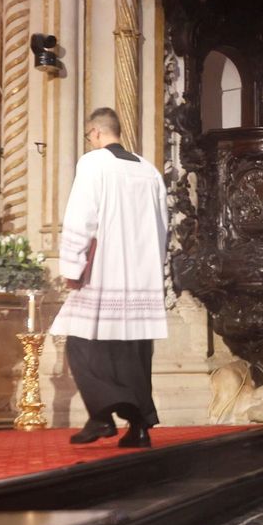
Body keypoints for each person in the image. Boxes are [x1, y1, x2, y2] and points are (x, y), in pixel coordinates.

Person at [52, 108, 169, 449]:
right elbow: (162, 228)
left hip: (104, 271)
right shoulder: (150, 171)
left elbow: (81, 219)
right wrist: (152, 270)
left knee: (79, 342)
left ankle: (102, 417)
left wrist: (71, 268)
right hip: (141, 276)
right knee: (132, 351)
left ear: (95, 133)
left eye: (90, 136)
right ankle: (139, 427)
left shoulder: (94, 164)